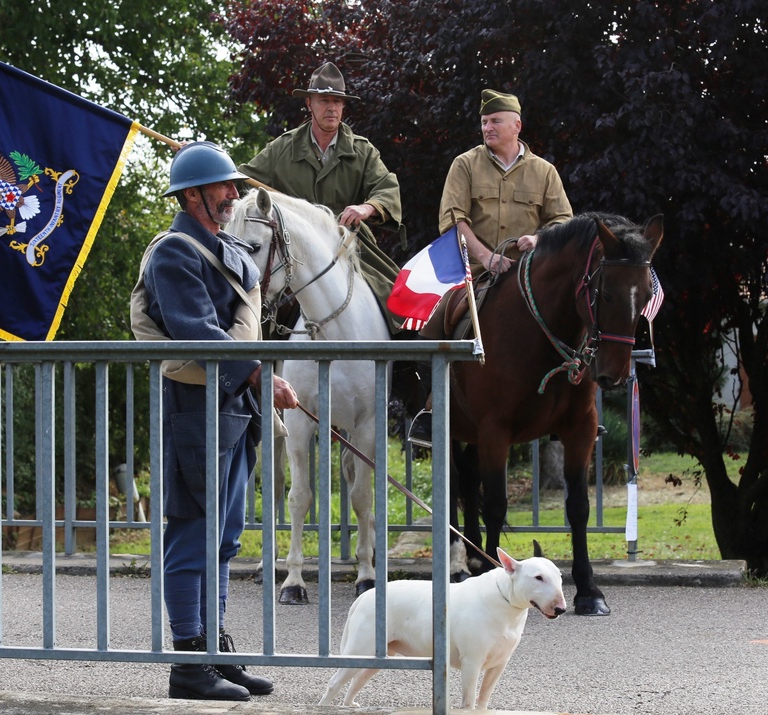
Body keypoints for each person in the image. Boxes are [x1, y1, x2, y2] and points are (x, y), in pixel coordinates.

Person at [130, 141, 298, 701]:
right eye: (224, 186)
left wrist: (250, 383)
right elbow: (197, 330)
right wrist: (256, 375)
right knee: (190, 534)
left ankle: (216, 651)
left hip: (230, 407)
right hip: (192, 405)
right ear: (192, 195)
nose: (234, 194)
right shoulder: (174, 254)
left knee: (224, 538)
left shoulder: (225, 247)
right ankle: (188, 664)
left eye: (232, 186)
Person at [408, 89, 574, 447]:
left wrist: (540, 238)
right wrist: (486, 257)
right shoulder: (465, 164)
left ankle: (568, 410)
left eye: (495, 121)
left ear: (517, 125)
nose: (487, 128)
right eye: (484, 122)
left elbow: (564, 221)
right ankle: (431, 411)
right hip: (474, 274)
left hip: (532, 276)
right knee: (431, 329)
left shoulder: (545, 172)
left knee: (574, 318)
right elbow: (453, 221)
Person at [238, 61, 405, 335]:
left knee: (397, 300)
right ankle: (258, 373)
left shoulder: (363, 151)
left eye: (338, 101)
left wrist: (367, 207)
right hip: (294, 250)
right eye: (324, 100)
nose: (332, 108)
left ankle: (407, 373)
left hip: (349, 244)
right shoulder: (283, 147)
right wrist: (200, 159)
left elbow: (386, 187)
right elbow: (239, 178)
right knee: (257, 315)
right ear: (309, 103)